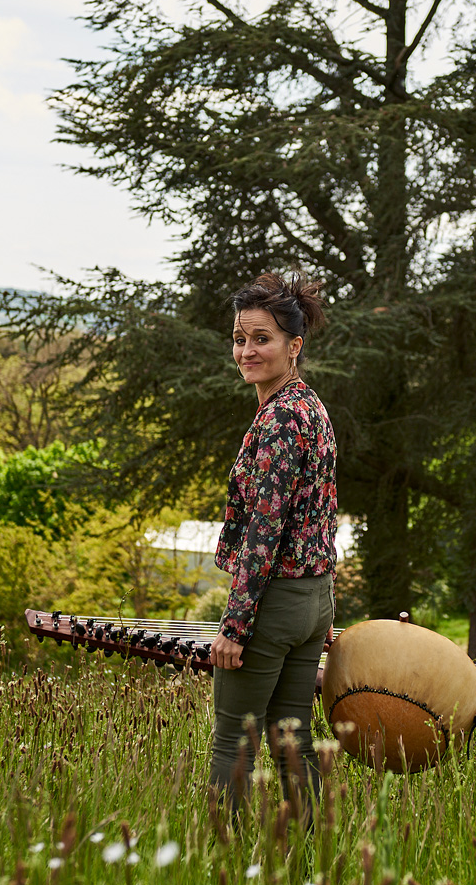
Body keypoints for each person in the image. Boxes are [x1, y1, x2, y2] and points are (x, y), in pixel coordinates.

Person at [208, 272, 337, 818]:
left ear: (294, 346)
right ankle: (308, 861)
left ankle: (221, 859)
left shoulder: (282, 418)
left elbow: (267, 529)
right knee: (294, 742)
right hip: (312, 601)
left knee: (233, 743)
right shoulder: (311, 407)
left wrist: (235, 626)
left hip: (274, 602)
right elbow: (323, 512)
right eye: (240, 338)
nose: (247, 350)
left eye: (262, 338)